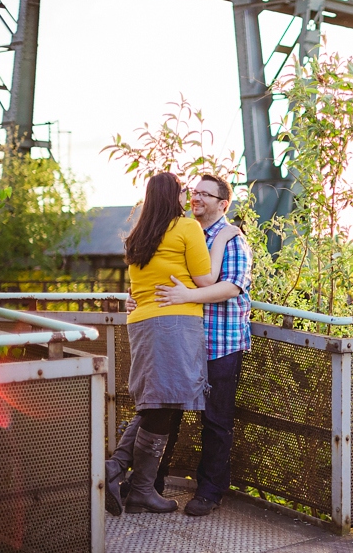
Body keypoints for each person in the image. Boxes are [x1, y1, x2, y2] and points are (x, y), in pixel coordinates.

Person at [105, 172, 238, 516]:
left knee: (155, 403)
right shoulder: (186, 229)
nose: (189, 197)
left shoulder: (139, 234)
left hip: (142, 325)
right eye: (186, 191)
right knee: (161, 405)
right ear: (173, 197)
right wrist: (222, 240)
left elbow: (139, 288)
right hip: (175, 325)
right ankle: (127, 478)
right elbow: (208, 279)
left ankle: (130, 481)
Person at [137, 174, 252, 517]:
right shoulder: (185, 232)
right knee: (164, 413)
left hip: (220, 344)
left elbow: (231, 287)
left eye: (206, 194)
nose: (197, 197)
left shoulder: (232, 240)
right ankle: (148, 484)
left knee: (215, 421)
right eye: (195, 191)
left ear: (223, 204)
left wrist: (189, 296)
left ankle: (209, 492)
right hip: (181, 343)